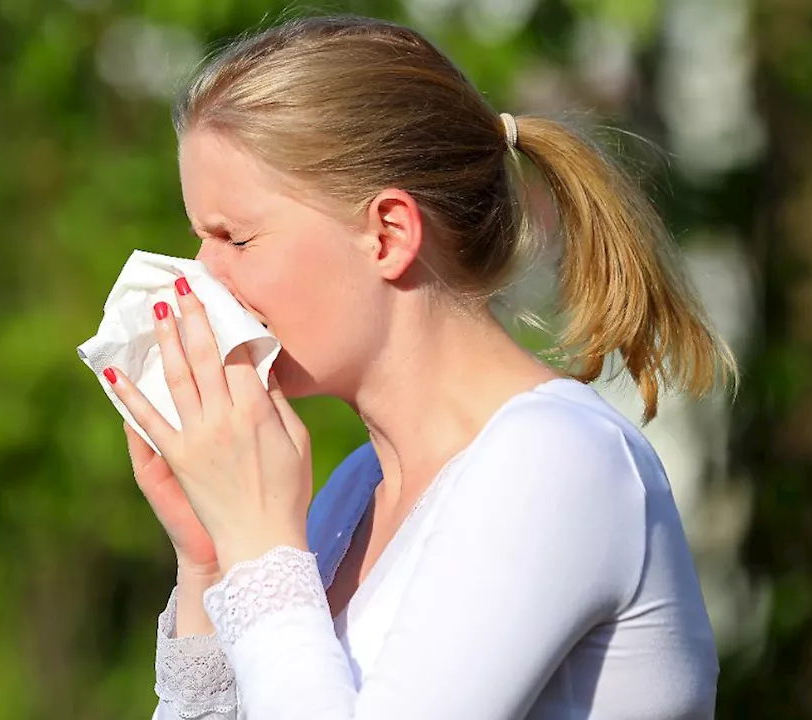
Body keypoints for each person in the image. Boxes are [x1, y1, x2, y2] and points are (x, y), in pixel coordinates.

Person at [102, 14, 735, 720]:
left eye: (236, 238)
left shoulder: (555, 462)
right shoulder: (356, 493)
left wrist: (258, 549)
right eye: (201, 239)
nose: (201, 277)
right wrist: (214, 562)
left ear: (388, 234)